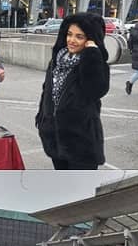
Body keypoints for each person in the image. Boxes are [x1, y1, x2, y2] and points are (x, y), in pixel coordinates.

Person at [35, 12, 110, 170]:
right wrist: (42, 119)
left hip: (81, 142)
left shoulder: (94, 62)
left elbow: (95, 91)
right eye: (69, 34)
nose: (72, 40)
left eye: (79, 36)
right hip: (54, 139)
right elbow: (47, 91)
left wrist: (91, 54)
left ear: (89, 39)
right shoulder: (57, 59)